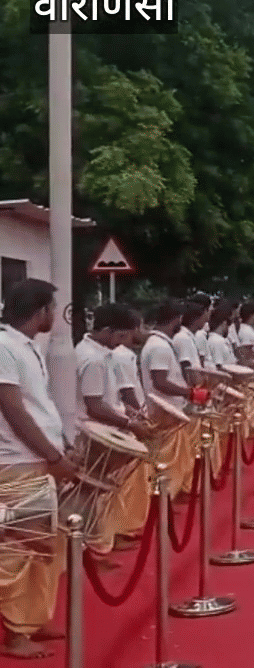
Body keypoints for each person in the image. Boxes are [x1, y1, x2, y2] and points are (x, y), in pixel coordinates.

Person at [0, 279, 75, 659]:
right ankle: (14, 634)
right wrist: (52, 455)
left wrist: (58, 447)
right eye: (52, 309)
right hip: (16, 462)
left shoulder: (26, 347)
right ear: (41, 309)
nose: (55, 317)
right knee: (21, 548)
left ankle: (31, 619)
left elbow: (37, 406)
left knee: (45, 546)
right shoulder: (3, 347)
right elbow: (12, 409)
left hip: (36, 459)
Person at [74, 303, 152, 557]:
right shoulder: (93, 358)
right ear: (107, 331)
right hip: (96, 433)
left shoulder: (100, 353)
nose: (125, 341)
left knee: (104, 493)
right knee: (95, 494)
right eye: (121, 335)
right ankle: (94, 549)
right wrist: (129, 424)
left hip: (105, 428)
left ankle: (104, 541)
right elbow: (94, 405)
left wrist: (126, 412)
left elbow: (107, 398)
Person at [142, 300, 198, 497]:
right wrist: (189, 393)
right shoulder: (159, 347)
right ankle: (166, 497)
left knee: (179, 456)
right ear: (177, 320)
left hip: (170, 408)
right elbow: (160, 381)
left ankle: (173, 493)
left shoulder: (159, 344)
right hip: (165, 409)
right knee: (168, 458)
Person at [173, 300, 205, 374]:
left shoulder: (189, 336)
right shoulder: (183, 337)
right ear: (197, 318)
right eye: (203, 316)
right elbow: (186, 368)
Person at [206, 303, 239, 369]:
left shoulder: (218, 339)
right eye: (229, 323)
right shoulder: (217, 341)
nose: (229, 327)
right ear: (224, 322)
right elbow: (219, 367)